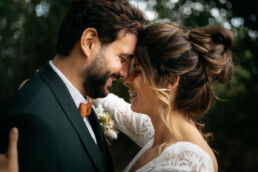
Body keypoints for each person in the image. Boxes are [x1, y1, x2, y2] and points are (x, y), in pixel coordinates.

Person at [0, 0, 145, 171]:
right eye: (122, 59)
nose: (125, 73)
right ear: (89, 41)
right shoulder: (32, 121)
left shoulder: (82, 99)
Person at [95, 22, 234, 171]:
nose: (127, 80)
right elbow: (115, 107)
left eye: (138, 71)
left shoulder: (190, 163)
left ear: (170, 81)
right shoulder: (160, 131)